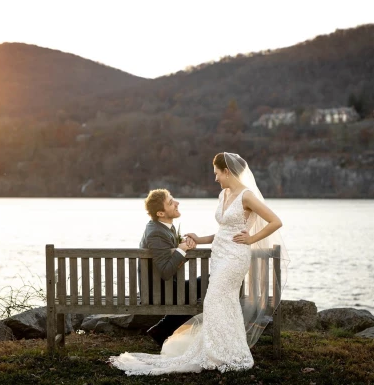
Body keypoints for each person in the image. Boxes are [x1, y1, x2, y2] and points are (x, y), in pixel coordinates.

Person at [109, 152, 289, 375]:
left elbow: (275, 222)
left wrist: (251, 239)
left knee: (214, 300)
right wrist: (201, 239)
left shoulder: (247, 196)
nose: (215, 179)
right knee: (223, 303)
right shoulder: (224, 194)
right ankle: (222, 348)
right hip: (220, 255)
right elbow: (224, 231)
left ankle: (224, 351)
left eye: (217, 173)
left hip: (235, 258)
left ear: (227, 171)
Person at [138, 189, 200, 347]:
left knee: (204, 282)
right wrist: (181, 250)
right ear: (160, 213)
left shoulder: (164, 228)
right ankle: (162, 330)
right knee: (207, 281)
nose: (177, 203)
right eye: (171, 202)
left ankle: (161, 330)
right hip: (158, 292)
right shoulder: (156, 233)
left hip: (165, 287)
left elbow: (169, 260)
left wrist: (184, 246)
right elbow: (166, 272)